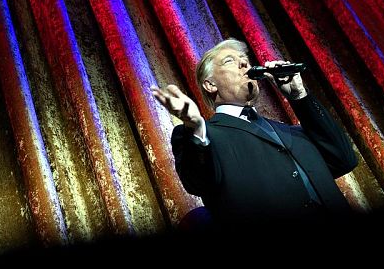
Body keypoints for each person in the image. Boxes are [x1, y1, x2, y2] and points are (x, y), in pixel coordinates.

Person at [151, 38, 358, 228]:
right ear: (210, 84)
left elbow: (344, 160)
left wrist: (300, 97)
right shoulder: (203, 136)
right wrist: (195, 127)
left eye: (245, 59)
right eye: (230, 61)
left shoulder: (291, 131)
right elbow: (197, 182)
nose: (244, 63)